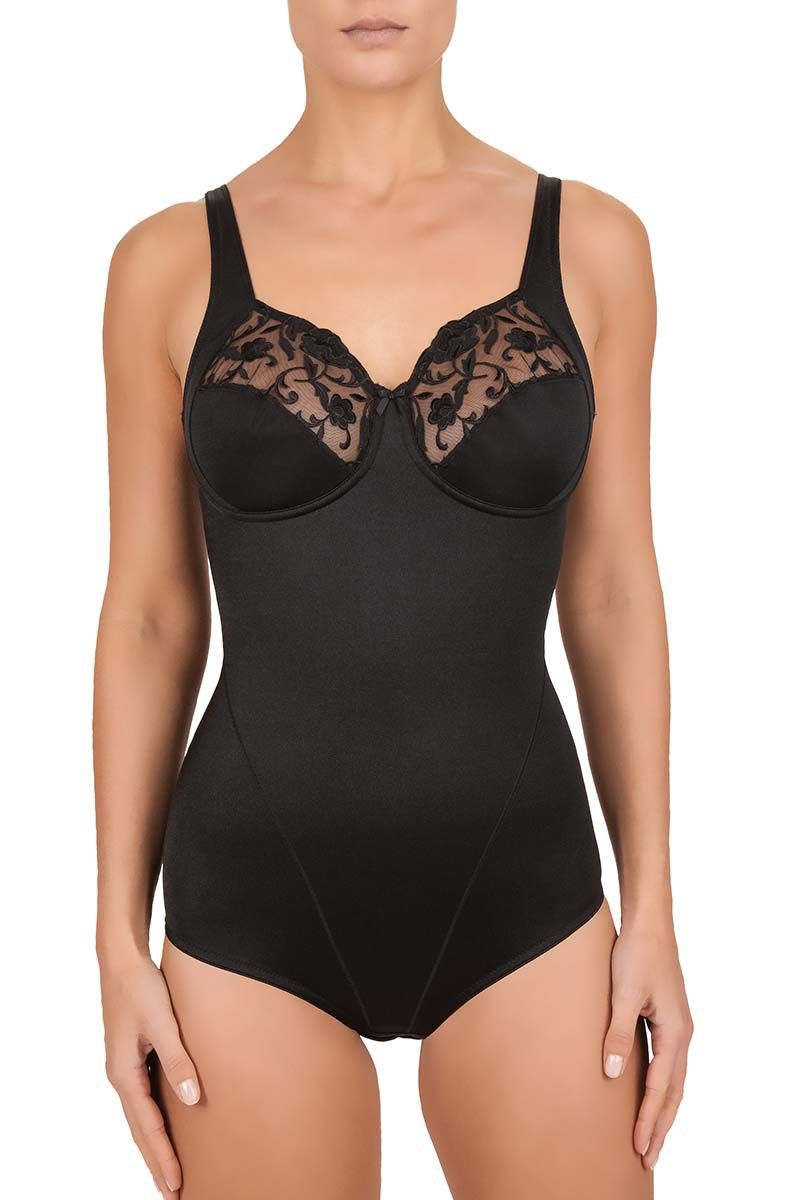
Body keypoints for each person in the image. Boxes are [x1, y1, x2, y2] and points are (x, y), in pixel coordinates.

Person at [94, 3, 692, 1196]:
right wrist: (115, 937)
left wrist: (654, 907)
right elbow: (151, 612)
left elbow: (614, 592)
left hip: (525, 896)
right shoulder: (165, 261)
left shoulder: (591, 244)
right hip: (250, 907)